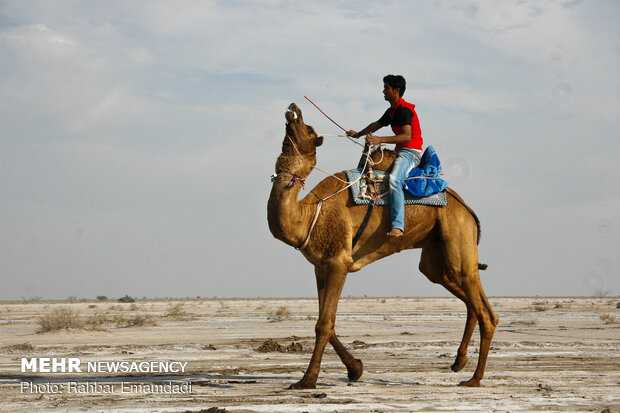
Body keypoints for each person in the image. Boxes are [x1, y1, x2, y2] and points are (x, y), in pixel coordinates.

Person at [346, 74, 423, 238]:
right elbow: (376, 125)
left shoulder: (404, 110)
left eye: (386, 88)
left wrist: (380, 140)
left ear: (396, 90)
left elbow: (406, 136)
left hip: (410, 153)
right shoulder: (392, 111)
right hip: (400, 152)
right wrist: (358, 134)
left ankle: (398, 226)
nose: (383, 91)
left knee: (395, 180)